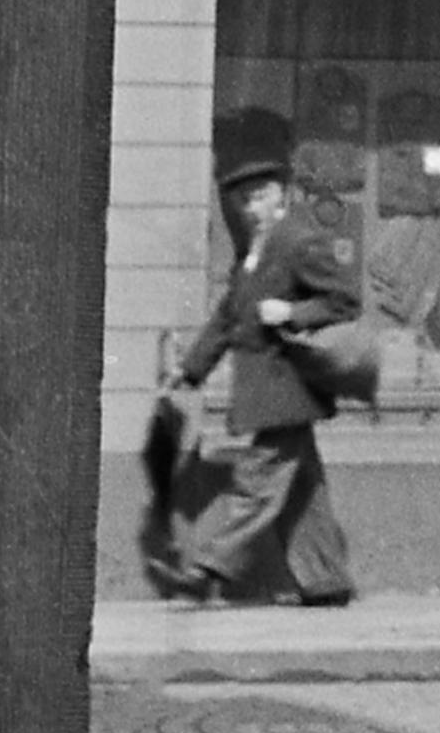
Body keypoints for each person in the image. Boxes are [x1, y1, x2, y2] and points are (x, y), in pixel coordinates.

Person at [153, 154, 359, 607]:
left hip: (287, 389)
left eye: (260, 197)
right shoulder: (252, 253)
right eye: (244, 200)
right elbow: (227, 319)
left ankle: (205, 569)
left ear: (282, 197)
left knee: (256, 484)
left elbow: (345, 300)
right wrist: (190, 371)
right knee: (303, 489)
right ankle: (327, 581)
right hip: (270, 391)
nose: (250, 208)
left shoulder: (300, 243)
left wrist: (293, 312)